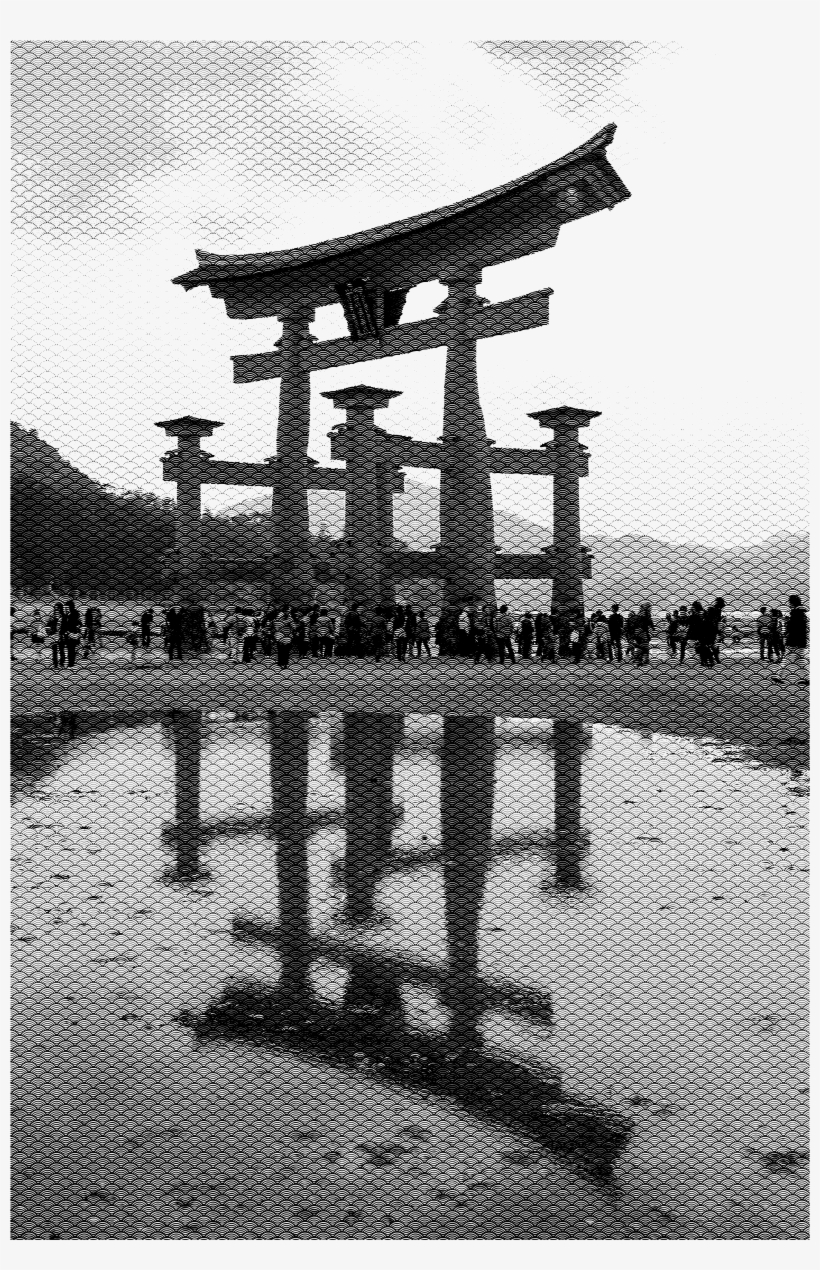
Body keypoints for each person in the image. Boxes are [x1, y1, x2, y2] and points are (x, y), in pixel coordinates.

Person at [772, 595, 809, 686]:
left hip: (794, 640)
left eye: (790, 602)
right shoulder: (803, 613)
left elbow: (792, 627)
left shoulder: (795, 612)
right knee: (800, 661)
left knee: (787, 658)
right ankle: (808, 678)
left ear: (792, 603)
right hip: (801, 640)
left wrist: (787, 623)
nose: (789, 604)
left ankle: (778, 676)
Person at [61, 599, 83, 667]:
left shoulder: (75, 615)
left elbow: (78, 624)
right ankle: (70, 663)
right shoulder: (65, 616)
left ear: (71, 607)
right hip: (67, 635)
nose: (65, 609)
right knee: (69, 649)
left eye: (67, 608)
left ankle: (71, 663)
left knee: (71, 649)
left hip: (73, 635)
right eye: (65, 608)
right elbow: (63, 626)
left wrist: (74, 633)